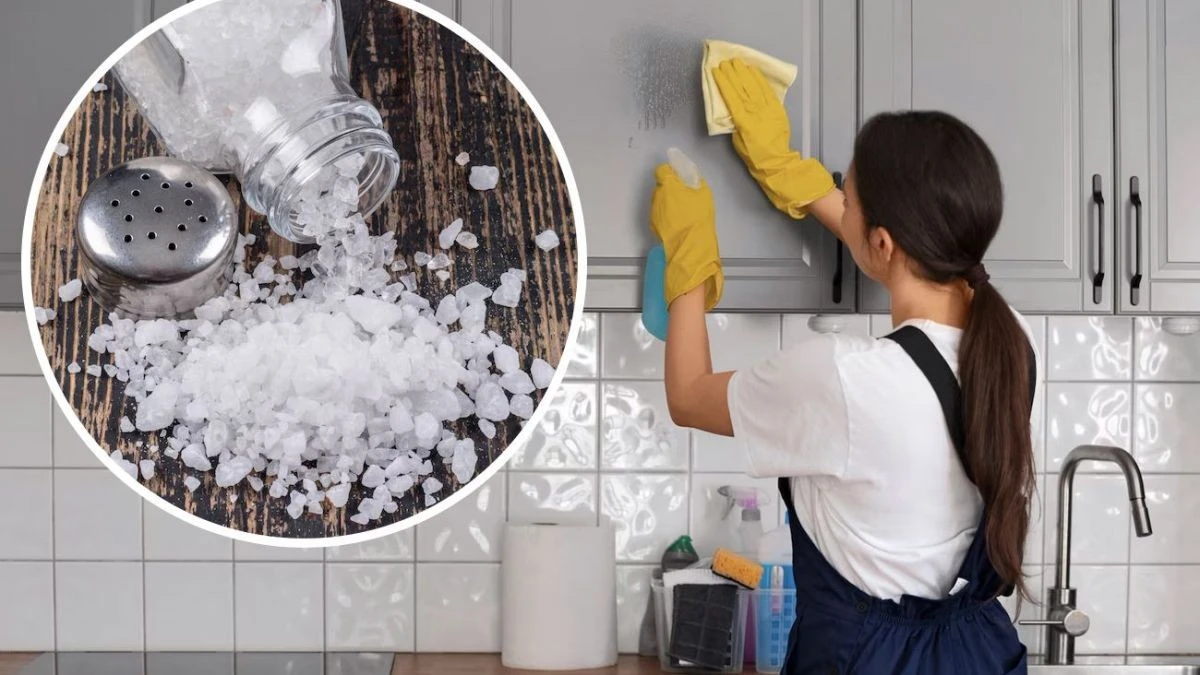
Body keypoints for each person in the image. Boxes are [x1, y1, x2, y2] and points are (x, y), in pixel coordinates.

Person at [649, 58, 1039, 674]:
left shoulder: (845, 379)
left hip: (867, 660)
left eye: (846, 195)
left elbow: (689, 396)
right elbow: (908, 249)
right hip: (979, 650)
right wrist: (788, 172)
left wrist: (688, 256)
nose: (840, 202)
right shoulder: (1007, 340)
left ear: (882, 242)